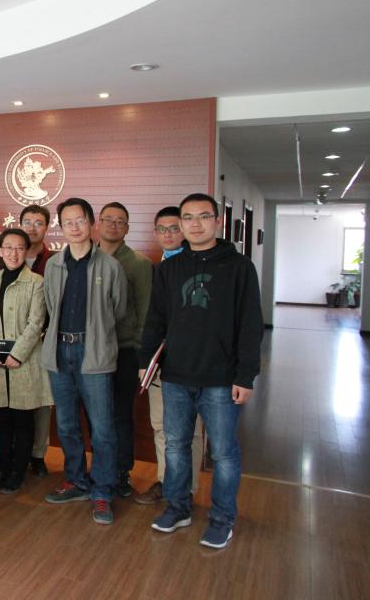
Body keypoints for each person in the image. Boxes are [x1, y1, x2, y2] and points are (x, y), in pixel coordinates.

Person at [142, 193, 263, 549]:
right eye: (188, 218)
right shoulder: (169, 269)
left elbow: (250, 324)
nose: (195, 224)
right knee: (176, 446)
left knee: (223, 453)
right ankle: (178, 507)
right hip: (176, 376)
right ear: (181, 223)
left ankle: (222, 519)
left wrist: (246, 375)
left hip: (221, 380)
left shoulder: (239, 267)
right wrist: (146, 362)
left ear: (217, 221)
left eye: (203, 217)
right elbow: (156, 320)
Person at [40, 197, 126, 525]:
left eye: (80, 221)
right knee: (66, 425)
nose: (74, 227)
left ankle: (102, 490)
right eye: (68, 222)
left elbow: (118, 311)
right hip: (59, 353)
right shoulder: (54, 265)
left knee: (102, 428)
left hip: (95, 353)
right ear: (60, 227)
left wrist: (96, 337)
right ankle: (76, 481)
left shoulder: (110, 266)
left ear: (92, 224)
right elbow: (51, 305)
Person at [135, 205, 206, 506]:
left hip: (191, 363)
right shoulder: (157, 268)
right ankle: (166, 482)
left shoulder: (198, 267)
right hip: (159, 363)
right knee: (161, 425)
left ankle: (187, 488)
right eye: (162, 230)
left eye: (173, 228)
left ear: (184, 230)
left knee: (190, 430)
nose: (168, 234)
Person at [0, 229, 50, 494]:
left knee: (23, 419)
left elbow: (36, 323)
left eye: (19, 248)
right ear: (0, 250)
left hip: (24, 361)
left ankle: (18, 472)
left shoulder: (36, 282)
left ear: (27, 251)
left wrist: (17, 354)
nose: (13, 253)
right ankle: (2, 469)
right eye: (8, 247)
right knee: (1, 419)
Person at [96, 202, 153, 498]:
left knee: (120, 413)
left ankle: (120, 473)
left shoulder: (139, 264)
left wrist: (142, 355)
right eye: (108, 220)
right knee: (96, 414)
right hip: (92, 351)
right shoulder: (85, 258)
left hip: (124, 350)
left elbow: (145, 311)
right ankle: (99, 470)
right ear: (98, 224)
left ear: (127, 228)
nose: (113, 225)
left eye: (120, 222)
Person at [18, 204, 56, 477]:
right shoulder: (9, 257)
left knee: (43, 402)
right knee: (16, 400)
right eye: (27, 222)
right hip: (13, 343)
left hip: (44, 342)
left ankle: (38, 454)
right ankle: (17, 452)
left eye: (38, 223)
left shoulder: (54, 262)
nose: (32, 228)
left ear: (47, 227)